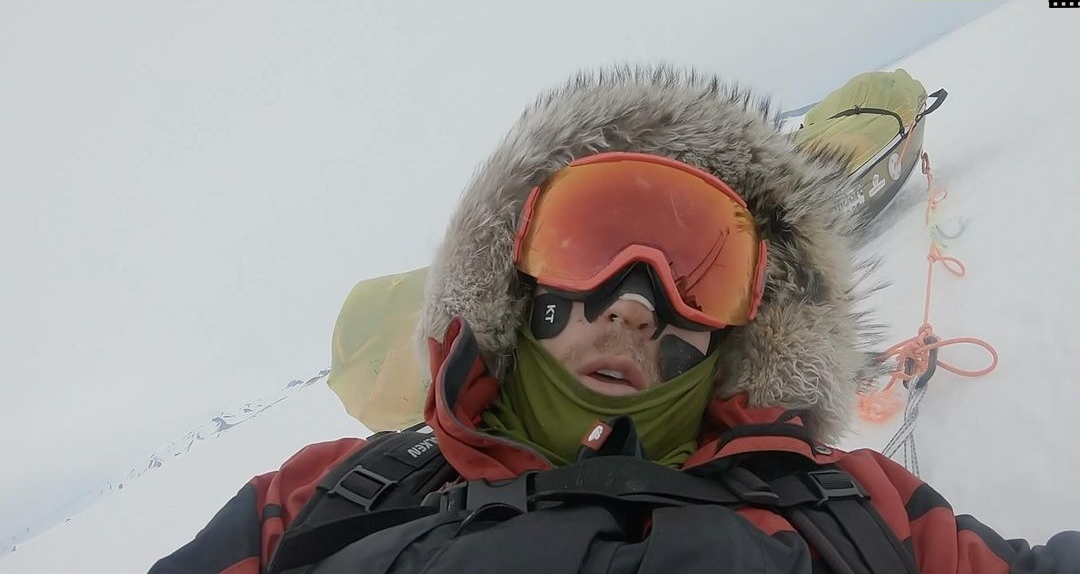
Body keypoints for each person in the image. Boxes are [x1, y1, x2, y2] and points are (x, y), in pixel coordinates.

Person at [149, 65, 1080, 574]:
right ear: (518, 280)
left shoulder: (856, 509)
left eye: (699, 278)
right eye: (590, 244)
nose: (637, 305)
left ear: (739, 330)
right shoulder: (324, 495)